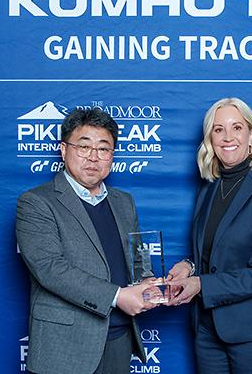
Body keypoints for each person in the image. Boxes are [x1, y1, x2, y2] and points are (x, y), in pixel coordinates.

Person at [16, 109, 159, 374]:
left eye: (103, 149)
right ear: (63, 150)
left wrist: (148, 282)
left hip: (119, 339)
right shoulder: (37, 202)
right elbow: (49, 268)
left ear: (112, 155)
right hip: (64, 347)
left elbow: (137, 258)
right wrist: (118, 296)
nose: (93, 157)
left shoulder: (124, 202)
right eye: (83, 147)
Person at [166, 97, 252, 374]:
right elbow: (216, 251)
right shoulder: (209, 186)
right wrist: (189, 266)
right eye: (218, 129)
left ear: (251, 133)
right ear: (210, 138)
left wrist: (201, 284)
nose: (227, 137)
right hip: (208, 330)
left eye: (237, 127)